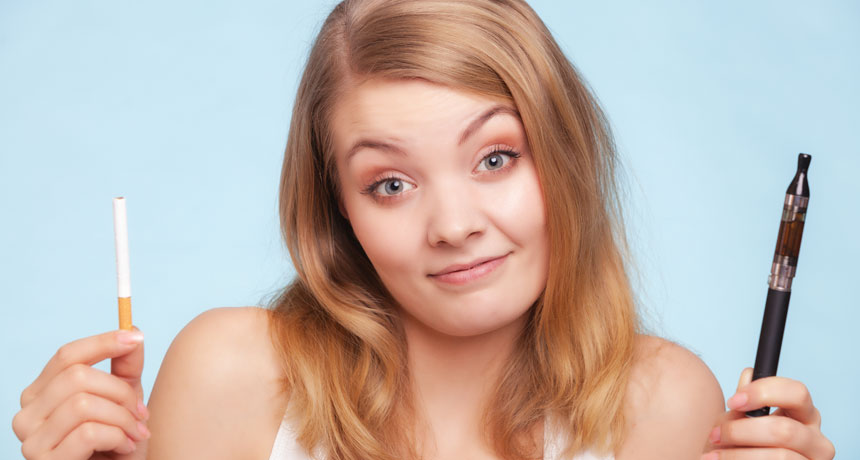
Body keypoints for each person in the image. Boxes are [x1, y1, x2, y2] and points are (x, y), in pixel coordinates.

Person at [13, 0, 835, 459]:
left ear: (562, 155)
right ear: (339, 207)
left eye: (495, 159)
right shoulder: (233, 377)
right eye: (392, 183)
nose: (452, 225)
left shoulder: (662, 406)